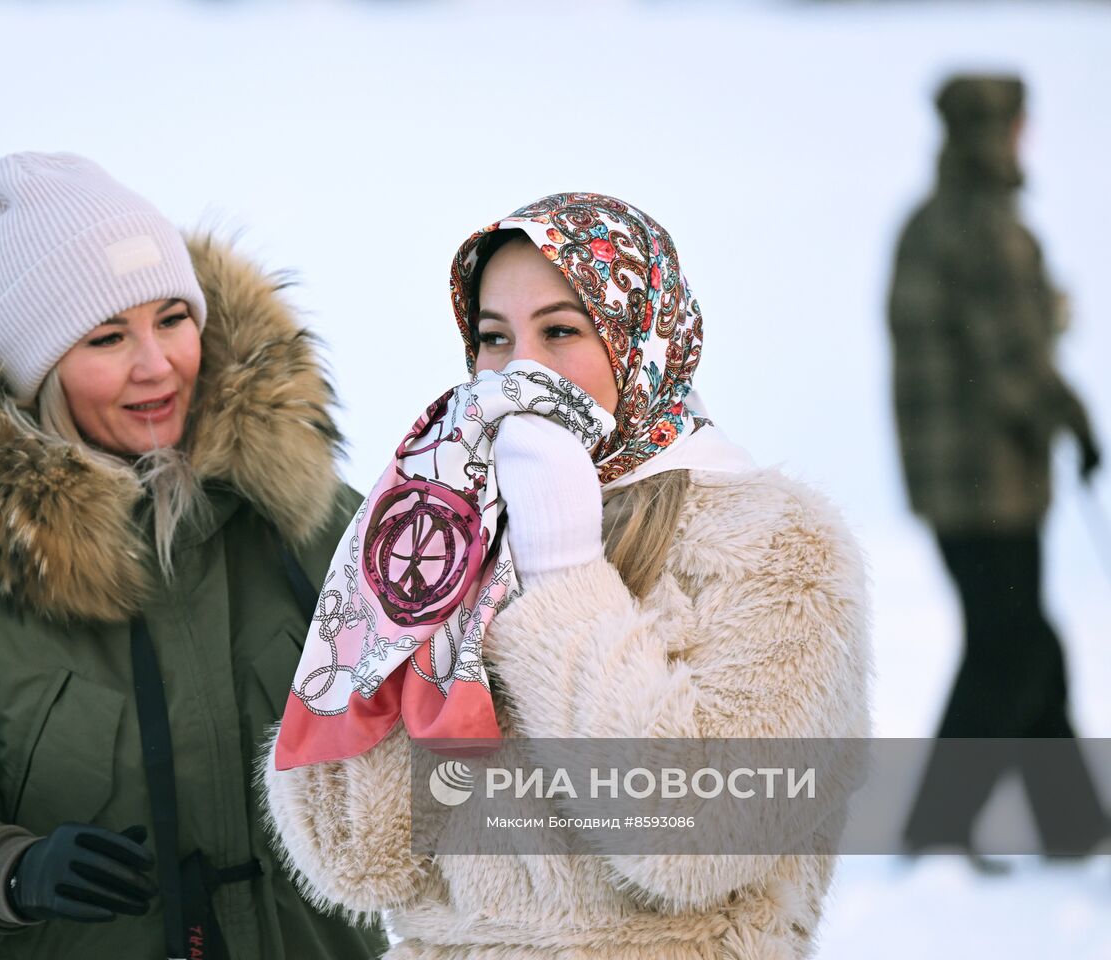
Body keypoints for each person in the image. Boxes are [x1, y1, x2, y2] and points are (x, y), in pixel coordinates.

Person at [262, 193, 872, 958]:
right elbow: (356, 856)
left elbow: (695, 841)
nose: (520, 372)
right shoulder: (460, 531)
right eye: (494, 338)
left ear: (640, 342)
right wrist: (380, 605)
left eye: (559, 331)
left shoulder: (779, 548)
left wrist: (562, 576)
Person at [0, 152, 387, 959]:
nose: (156, 366)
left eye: (173, 319)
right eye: (107, 336)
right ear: (36, 371)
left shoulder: (309, 522)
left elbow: (472, 729)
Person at [889, 75, 1107, 860]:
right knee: (1010, 647)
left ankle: (1074, 826)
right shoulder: (986, 227)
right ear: (1003, 131)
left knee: (1024, 641)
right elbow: (1010, 360)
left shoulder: (930, 222)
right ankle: (938, 832)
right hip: (991, 484)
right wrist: (1075, 420)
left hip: (953, 482)